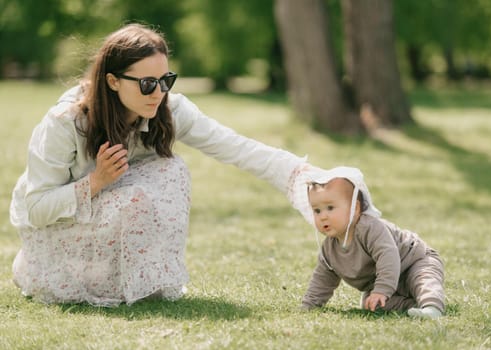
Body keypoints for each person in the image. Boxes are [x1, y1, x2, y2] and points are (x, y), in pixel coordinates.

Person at [9, 23, 311, 307]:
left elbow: (234, 146)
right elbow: (35, 209)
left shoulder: (169, 109)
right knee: (133, 199)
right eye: (147, 84)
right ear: (113, 81)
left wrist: (302, 174)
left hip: (110, 211)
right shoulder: (65, 123)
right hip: (55, 228)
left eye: (165, 81)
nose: (159, 93)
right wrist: (96, 181)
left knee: (172, 171)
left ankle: (144, 282)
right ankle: (53, 272)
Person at [294, 167, 445, 319]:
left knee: (423, 279)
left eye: (330, 208)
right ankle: (414, 308)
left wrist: (382, 289)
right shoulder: (329, 249)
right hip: (384, 280)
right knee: (371, 303)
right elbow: (323, 280)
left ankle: (432, 307)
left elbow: (388, 256)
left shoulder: (369, 228)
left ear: (355, 208)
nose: (323, 216)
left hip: (414, 261)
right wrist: (308, 306)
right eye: (317, 211)